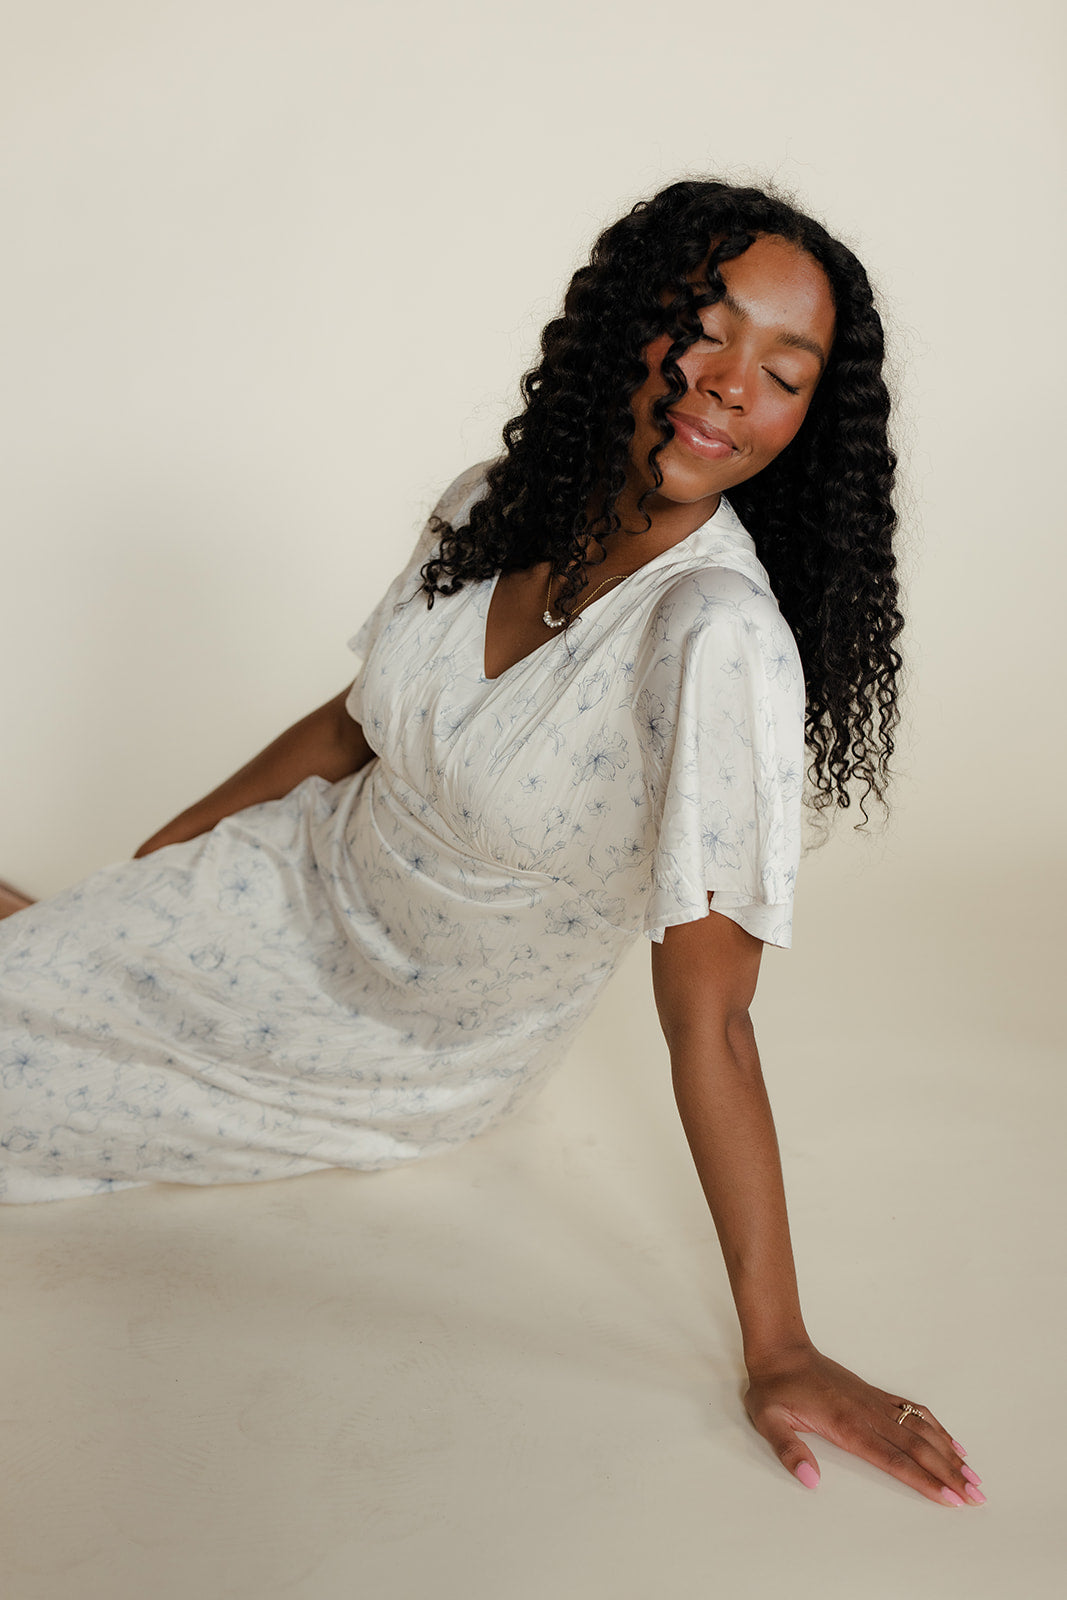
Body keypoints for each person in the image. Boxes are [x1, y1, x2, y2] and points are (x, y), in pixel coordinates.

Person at [0, 178, 983, 1507]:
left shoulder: (715, 645)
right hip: (281, 883)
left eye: (784, 370)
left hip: (393, 1043)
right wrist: (149, 878)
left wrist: (781, 1345)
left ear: (811, 417)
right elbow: (350, 730)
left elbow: (714, 1022)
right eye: (702, 325)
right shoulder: (493, 505)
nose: (729, 384)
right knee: (45, 951)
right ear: (628, 324)